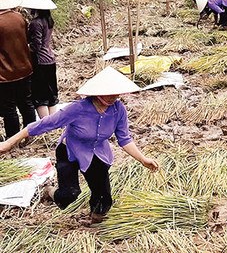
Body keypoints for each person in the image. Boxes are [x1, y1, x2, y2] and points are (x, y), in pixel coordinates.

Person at [0, 67, 160, 222]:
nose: (113, 97)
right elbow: (44, 124)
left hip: (97, 153)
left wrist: (143, 159)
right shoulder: (77, 109)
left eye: (116, 92)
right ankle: (50, 192)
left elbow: (125, 139)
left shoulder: (119, 110)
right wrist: (8, 143)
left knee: (103, 198)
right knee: (69, 195)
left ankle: (95, 220)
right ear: (97, 93)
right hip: (69, 151)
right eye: (108, 93)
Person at [0, 0, 36, 139]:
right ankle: (31, 134)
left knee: (8, 107)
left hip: (4, 73)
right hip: (24, 67)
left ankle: (13, 138)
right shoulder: (19, 18)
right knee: (26, 102)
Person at [21, 0, 59, 118]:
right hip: (50, 59)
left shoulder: (35, 23)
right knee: (51, 93)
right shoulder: (49, 20)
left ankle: (45, 124)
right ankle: (53, 124)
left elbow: (36, 46)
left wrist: (25, 47)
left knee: (39, 94)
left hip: (40, 61)